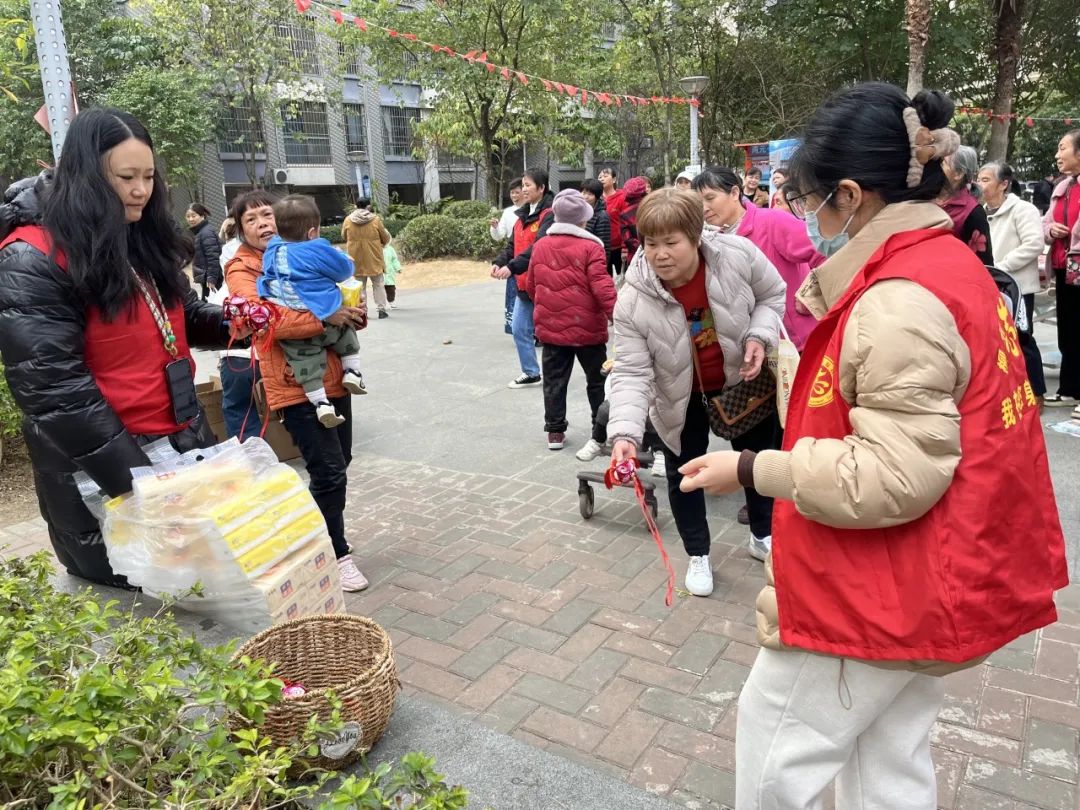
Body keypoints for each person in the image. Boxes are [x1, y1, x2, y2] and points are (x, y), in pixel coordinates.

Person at [678, 82, 1067, 810]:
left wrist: (754, 468)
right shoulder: (943, 264)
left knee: (775, 754)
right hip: (934, 569)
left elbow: (893, 473)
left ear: (850, 196)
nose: (807, 216)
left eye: (808, 199)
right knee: (889, 761)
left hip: (879, 582)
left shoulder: (898, 298)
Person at [0, 108, 229, 587]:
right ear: (85, 177)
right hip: (106, 470)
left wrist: (242, 323)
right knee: (151, 605)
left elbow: (182, 318)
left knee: (207, 582)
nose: (141, 190)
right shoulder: (32, 255)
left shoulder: (137, 237)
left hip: (182, 445)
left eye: (148, 176)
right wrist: (142, 490)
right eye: (126, 178)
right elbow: (56, 391)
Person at [606, 188, 786, 596]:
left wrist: (758, 334)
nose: (660, 254)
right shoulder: (633, 298)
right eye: (651, 243)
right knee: (685, 474)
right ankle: (698, 553)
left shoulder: (736, 255)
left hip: (743, 381)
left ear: (695, 236)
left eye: (671, 242)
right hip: (678, 397)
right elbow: (631, 371)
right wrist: (625, 434)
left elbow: (772, 294)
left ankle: (762, 534)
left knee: (755, 462)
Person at [225, 191, 370, 592]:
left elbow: (338, 289)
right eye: (251, 219)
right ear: (241, 229)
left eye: (266, 215)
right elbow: (264, 320)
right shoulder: (242, 269)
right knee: (327, 470)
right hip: (293, 383)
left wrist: (352, 312)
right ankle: (334, 553)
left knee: (341, 460)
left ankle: (316, 533)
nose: (262, 223)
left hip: (333, 375)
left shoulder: (306, 250)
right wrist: (326, 316)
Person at [258, 195, 367, 428]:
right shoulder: (316, 249)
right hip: (325, 315)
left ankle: (321, 404)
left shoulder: (272, 251)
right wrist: (344, 259)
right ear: (311, 232)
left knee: (305, 363)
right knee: (346, 333)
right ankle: (353, 371)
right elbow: (343, 270)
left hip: (295, 326)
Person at [526, 189, 617, 451]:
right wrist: (618, 316)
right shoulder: (591, 247)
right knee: (598, 381)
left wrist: (548, 307)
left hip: (551, 329)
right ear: (583, 219)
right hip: (588, 329)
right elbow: (602, 287)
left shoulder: (541, 245)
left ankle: (555, 432)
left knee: (554, 381)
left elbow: (532, 286)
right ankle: (600, 430)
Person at [693, 166, 820, 351]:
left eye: (710, 198)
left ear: (734, 193)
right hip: (753, 347)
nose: (704, 208)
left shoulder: (772, 221)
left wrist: (811, 296)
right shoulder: (711, 241)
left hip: (797, 343)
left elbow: (824, 252)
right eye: (698, 202)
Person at [978, 161, 1047, 404]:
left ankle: (1036, 393)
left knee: (1022, 338)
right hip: (991, 284)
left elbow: (1034, 244)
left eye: (986, 180)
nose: (980, 184)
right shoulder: (981, 212)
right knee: (996, 341)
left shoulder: (1023, 210)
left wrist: (1001, 267)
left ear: (1003, 184)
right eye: (979, 179)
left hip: (1017, 287)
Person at [491, 167, 555, 389]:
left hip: (546, 284)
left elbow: (538, 248)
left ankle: (564, 373)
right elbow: (512, 246)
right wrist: (499, 262)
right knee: (519, 328)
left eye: (528, 185)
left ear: (542, 188)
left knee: (553, 334)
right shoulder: (522, 216)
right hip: (525, 284)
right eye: (523, 185)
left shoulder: (550, 214)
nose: (524, 189)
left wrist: (512, 267)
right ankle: (531, 372)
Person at [1044, 131, 1080, 409]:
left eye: (1062, 148)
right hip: (1064, 268)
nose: (1057, 155)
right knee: (1068, 330)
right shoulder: (1062, 187)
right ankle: (1069, 389)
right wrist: (1051, 230)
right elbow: (1045, 222)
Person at [939, 145, 994, 265]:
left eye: (942, 163)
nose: (934, 168)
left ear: (958, 174)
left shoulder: (973, 213)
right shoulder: (927, 199)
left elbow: (984, 264)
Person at [343, 198, 392, 319]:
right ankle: (381, 310)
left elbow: (344, 236)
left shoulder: (348, 220)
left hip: (356, 257)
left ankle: (363, 312)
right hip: (374, 256)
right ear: (368, 206)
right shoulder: (375, 219)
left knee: (360, 286)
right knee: (378, 284)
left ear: (356, 206)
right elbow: (385, 237)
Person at [492, 178, 525, 334]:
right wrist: (495, 228)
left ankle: (532, 330)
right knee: (514, 294)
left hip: (528, 258)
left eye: (517, 192)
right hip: (513, 256)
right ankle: (515, 328)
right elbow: (500, 236)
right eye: (512, 193)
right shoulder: (508, 212)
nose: (514, 196)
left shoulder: (535, 211)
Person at [186, 202, 222, 300]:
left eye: (194, 216)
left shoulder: (206, 233)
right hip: (206, 277)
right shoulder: (200, 232)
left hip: (210, 278)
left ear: (202, 216)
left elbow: (213, 257)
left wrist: (211, 278)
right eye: (188, 216)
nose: (190, 219)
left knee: (213, 304)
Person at [599, 167, 626, 277]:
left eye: (605, 176)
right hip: (602, 248)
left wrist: (625, 246)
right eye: (600, 177)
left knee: (623, 278)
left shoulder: (622, 198)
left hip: (619, 247)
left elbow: (625, 223)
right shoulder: (596, 199)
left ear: (614, 180)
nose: (602, 179)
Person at [617, 176, 650, 264]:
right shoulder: (653, 206)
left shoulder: (625, 214)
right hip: (657, 252)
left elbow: (627, 239)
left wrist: (643, 247)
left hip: (636, 257)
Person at [579, 178, 611, 251]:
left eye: (590, 194)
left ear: (597, 197)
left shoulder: (602, 216)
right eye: (583, 193)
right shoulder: (578, 211)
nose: (585, 197)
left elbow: (604, 244)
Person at [383, 240, 403, 308]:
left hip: (389, 273)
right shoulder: (376, 248)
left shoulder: (390, 249)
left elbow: (394, 259)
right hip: (380, 273)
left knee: (391, 288)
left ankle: (391, 301)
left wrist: (398, 268)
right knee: (379, 289)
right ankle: (380, 304)